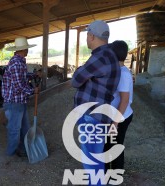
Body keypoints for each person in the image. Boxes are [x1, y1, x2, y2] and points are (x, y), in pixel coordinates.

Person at [71, 20, 120, 185]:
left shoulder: (100, 57)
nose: (86, 38)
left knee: (91, 163)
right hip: (100, 115)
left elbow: (76, 80)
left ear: (91, 36)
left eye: (87, 35)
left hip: (91, 116)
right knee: (96, 161)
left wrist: (81, 70)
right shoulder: (111, 55)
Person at [1, 37, 40, 157]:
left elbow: (21, 77)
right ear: (22, 50)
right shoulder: (17, 63)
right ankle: (10, 154)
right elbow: (18, 86)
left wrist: (33, 75)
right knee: (14, 129)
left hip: (19, 101)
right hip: (14, 102)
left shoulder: (19, 62)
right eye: (26, 49)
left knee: (25, 127)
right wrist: (33, 90)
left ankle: (23, 149)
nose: (27, 51)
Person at [104, 40, 133, 171]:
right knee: (109, 145)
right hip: (116, 116)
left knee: (115, 146)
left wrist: (115, 124)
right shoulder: (118, 70)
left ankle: (115, 176)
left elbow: (125, 100)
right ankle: (108, 172)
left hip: (120, 117)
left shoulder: (124, 74)